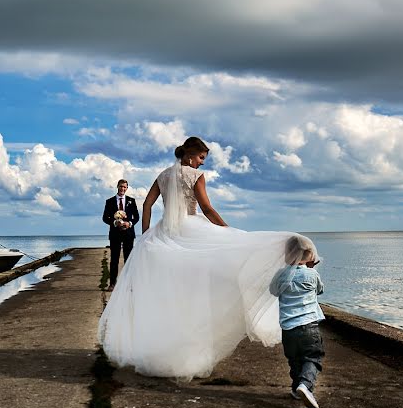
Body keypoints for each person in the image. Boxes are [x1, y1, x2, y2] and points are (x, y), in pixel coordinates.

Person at [97, 136, 317, 381]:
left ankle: (162, 350)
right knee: (195, 295)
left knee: (169, 296)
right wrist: (229, 232)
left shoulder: (163, 175)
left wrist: (147, 234)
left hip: (164, 235)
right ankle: (187, 352)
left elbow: (147, 205)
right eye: (201, 158)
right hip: (190, 232)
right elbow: (207, 209)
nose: (202, 163)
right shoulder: (194, 175)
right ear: (191, 155)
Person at [269, 236, 325, 408]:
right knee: (313, 357)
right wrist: (310, 270)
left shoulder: (281, 274)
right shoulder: (312, 274)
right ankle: (305, 385)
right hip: (309, 326)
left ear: (287, 254)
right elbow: (320, 290)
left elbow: (273, 291)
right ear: (310, 256)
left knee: (294, 360)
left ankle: (296, 389)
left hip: (288, 328)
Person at [102, 179, 140, 291]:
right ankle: (112, 283)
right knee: (114, 259)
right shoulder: (109, 201)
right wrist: (114, 222)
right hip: (115, 234)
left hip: (128, 234)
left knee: (128, 259)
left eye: (125, 187)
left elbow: (136, 217)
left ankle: (129, 284)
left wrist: (130, 223)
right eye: (121, 186)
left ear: (127, 188)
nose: (122, 189)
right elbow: (105, 218)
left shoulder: (131, 201)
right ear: (117, 187)